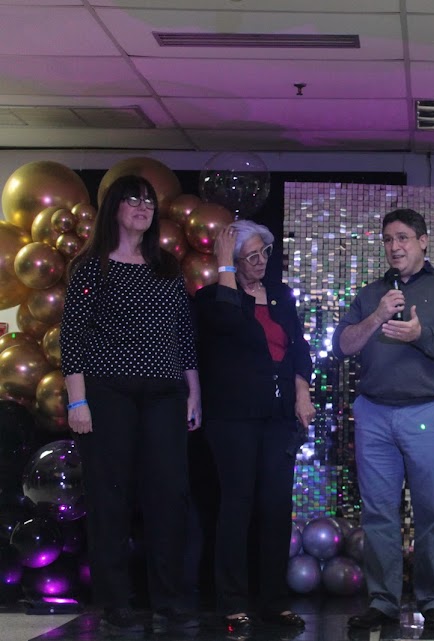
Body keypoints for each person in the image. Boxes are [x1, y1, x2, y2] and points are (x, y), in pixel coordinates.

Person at [60, 175, 201, 634]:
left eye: (148, 201)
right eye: (133, 199)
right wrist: (77, 400)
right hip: (108, 391)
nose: (142, 207)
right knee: (111, 495)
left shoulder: (166, 266)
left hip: (165, 391)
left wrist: (194, 392)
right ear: (115, 209)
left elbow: (183, 334)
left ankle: (170, 599)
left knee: (169, 494)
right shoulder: (91, 268)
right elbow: (73, 337)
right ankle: (115, 600)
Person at [332, 208, 434, 631]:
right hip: (375, 413)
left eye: (402, 238)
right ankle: (382, 602)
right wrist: (378, 316)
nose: (394, 247)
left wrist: (422, 335)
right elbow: (342, 345)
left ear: (423, 241)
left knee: (431, 511)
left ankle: (432, 601)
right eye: (388, 240)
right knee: (378, 513)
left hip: (429, 411)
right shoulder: (372, 294)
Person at [193, 222, 315, 633]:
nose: (261, 262)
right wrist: (224, 269)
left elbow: (299, 348)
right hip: (233, 417)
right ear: (231, 260)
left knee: (276, 508)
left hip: (278, 417)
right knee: (237, 504)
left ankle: (273, 602)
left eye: (264, 253)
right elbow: (228, 322)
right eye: (250, 256)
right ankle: (232, 602)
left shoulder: (281, 296)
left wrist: (302, 392)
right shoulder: (212, 298)